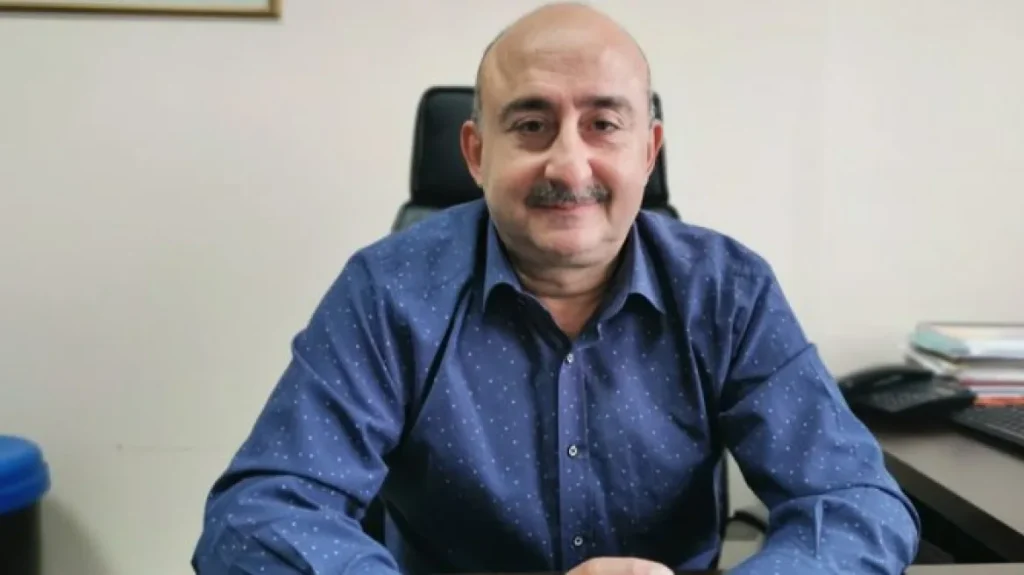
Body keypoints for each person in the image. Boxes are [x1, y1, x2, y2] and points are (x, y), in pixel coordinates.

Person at [192, 3, 920, 574]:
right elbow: (257, 515)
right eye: (532, 124)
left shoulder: (728, 292)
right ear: (477, 153)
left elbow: (855, 501)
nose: (569, 165)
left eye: (603, 123)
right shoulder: (388, 291)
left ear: (648, 152)